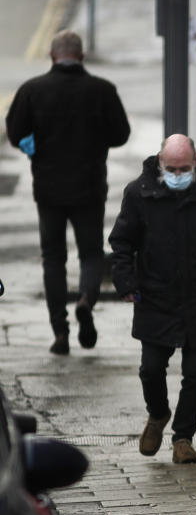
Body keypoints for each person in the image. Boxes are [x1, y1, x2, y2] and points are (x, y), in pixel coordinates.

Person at [109, 134, 196, 464]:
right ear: (160, 161)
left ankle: (183, 438)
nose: (177, 174)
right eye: (171, 168)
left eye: (184, 168)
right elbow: (121, 243)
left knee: (194, 371)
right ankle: (158, 414)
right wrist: (125, 281)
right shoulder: (138, 193)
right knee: (151, 368)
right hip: (156, 296)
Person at [5, 30, 130, 355]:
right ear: (82, 56)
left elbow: (15, 131)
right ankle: (86, 299)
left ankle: (60, 333)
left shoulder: (32, 90)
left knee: (53, 258)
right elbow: (121, 134)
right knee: (90, 253)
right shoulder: (102, 90)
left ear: (51, 56)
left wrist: (33, 144)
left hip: (48, 189)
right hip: (89, 187)